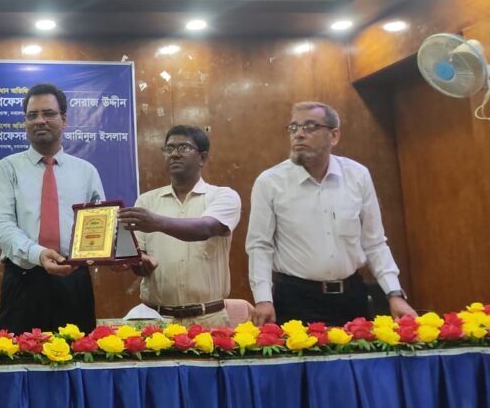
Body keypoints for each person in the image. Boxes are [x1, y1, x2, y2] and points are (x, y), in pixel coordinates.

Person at [246, 101, 417, 326]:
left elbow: (374, 242)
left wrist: (394, 294)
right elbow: (260, 246)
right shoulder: (270, 182)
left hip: (351, 297)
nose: (299, 134)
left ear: (333, 136)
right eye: (294, 127)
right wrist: (263, 299)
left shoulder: (357, 175)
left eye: (310, 127)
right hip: (296, 298)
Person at [0, 83, 105, 334]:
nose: (40, 121)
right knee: (19, 356)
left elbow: (100, 227)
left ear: (64, 119)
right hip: (23, 280)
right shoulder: (7, 168)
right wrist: (38, 254)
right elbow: (3, 226)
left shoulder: (86, 172)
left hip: (74, 280)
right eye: (32, 115)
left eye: (48, 113)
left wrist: (112, 252)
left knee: (78, 354)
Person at [117, 125, 242, 328]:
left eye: (184, 147)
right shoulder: (147, 201)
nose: (174, 154)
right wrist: (140, 262)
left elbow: (205, 229)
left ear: (202, 158)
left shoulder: (223, 196)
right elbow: (139, 254)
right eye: (169, 148)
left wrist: (156, 222)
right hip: (157, 321)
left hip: (209, 320)